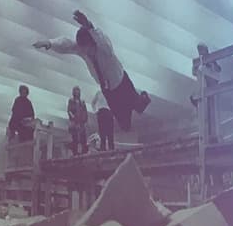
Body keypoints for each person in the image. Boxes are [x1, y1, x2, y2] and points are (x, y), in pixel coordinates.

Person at [34, 10, 150, 146]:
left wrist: (89, 26)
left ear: (93, 43)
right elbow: (67, 44)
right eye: (83, 50)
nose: (86, 53)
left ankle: (141, 99)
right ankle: (135, 103)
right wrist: (50, 43)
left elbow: (105, 41)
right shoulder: (83, 50)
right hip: (109, 92)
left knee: (138, 105)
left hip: (122, 83)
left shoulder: (104, 49)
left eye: (88, 49)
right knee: (125, 125)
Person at [65, 87, 88, 155]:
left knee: (83, 137)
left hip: (82, 122)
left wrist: (85, 120)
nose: (77, 93)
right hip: (74, 121)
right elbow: (69, 111)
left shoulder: (82, 101)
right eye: (75, 91)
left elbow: (85, 111)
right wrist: (73, 118)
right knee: (75, 137)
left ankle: (84, 151)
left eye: (78, 91)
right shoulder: (71, 101)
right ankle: (75, 152)